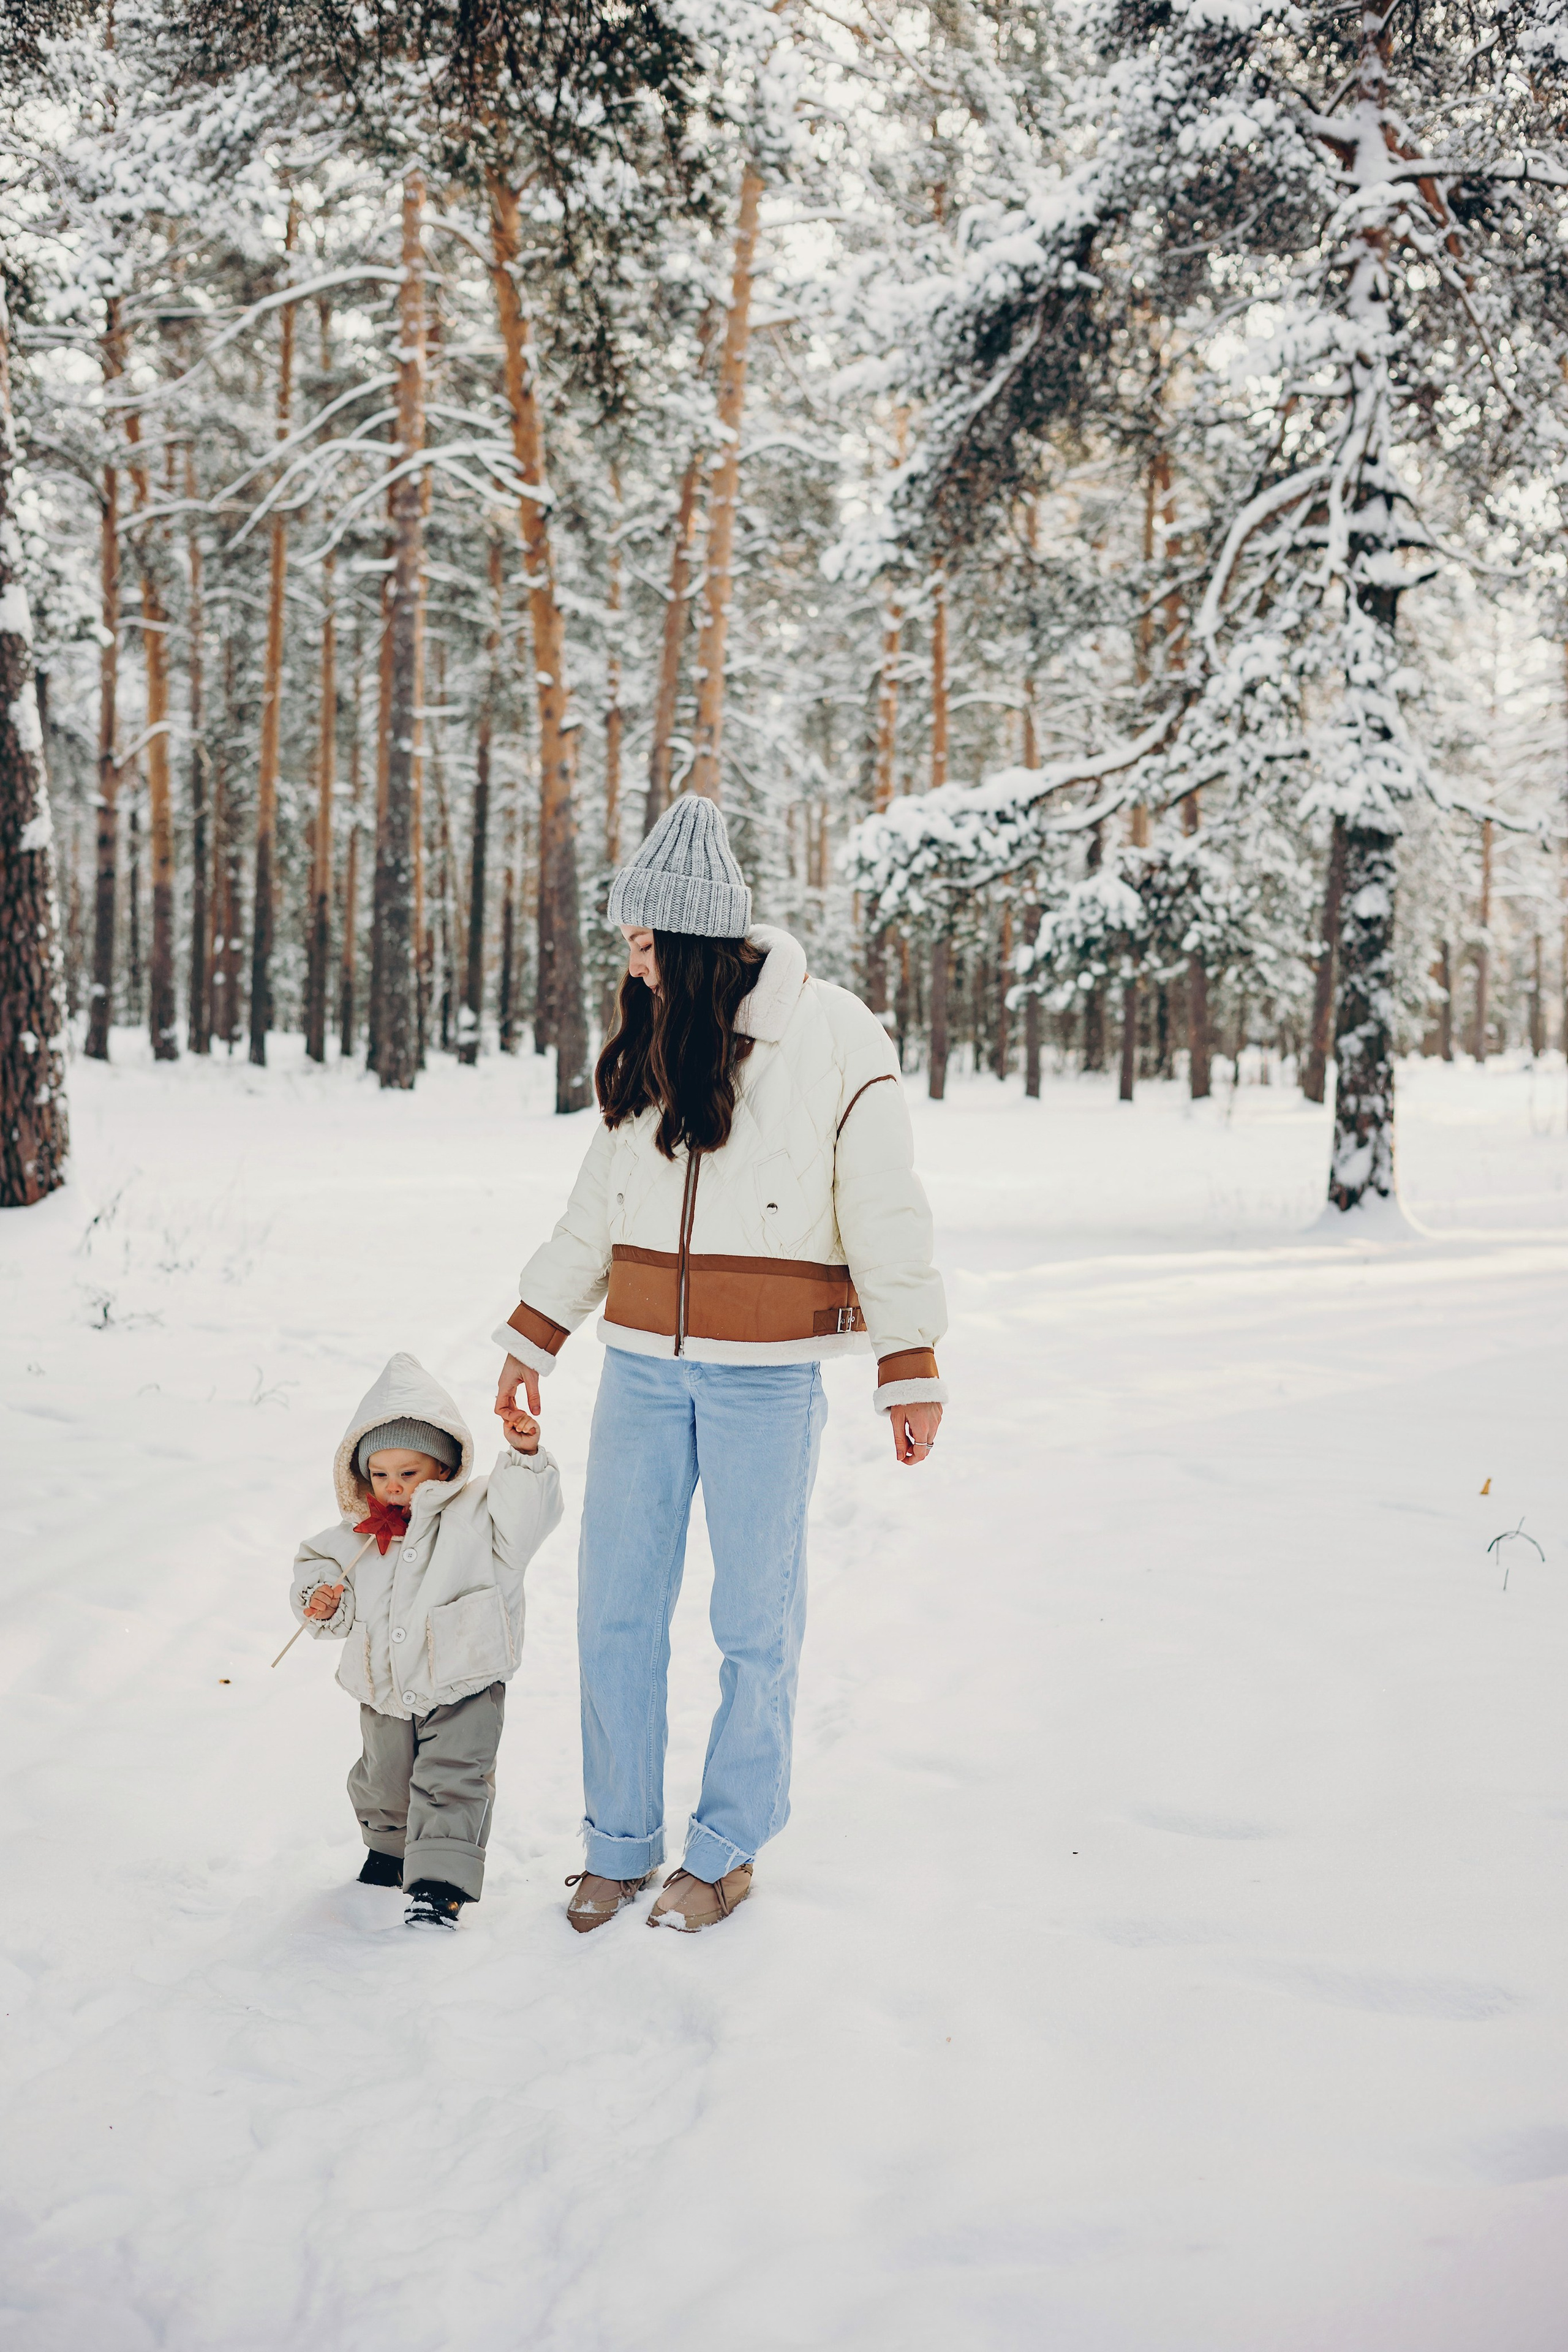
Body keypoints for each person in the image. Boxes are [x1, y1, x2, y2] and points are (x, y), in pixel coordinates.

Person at [494, 795, 946, 1936]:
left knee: (754, 1621)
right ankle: (618, 1844)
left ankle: (730, 1846)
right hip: (641, 1372)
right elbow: (595, 1210)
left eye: (645, 942)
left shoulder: (834, 1034)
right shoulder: (653, 1038)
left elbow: (885, 1204)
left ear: (694, 938)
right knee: (615, 1612)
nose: (633, 965)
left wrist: (909, 1360)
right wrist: (533, 1337)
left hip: (767, 1378)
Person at [290, 1350, 562, 1929]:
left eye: (408, 1474)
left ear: (443, 1467)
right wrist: (321, 1600)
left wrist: (524, 1458)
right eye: (380, 1475)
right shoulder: (355, 1536)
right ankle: (390, 1852)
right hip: (385, 1684)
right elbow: (317, 1574)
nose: (393, 1488)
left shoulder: (478, 1514)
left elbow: (526, 1521)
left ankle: (440, 1881)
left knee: (453, 1778)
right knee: (383, 1779)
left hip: (464, 1677)